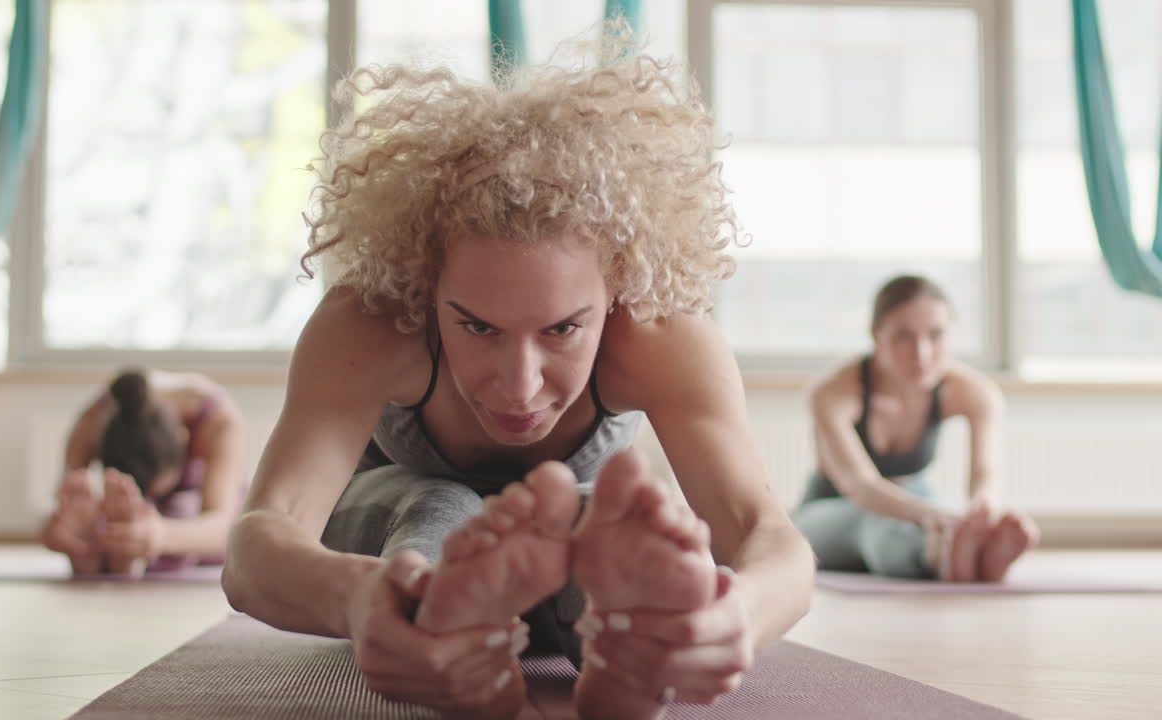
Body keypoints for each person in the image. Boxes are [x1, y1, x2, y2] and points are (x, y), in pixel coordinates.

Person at [221, 33, 814, 720]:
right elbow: (259, 543)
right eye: (476, 326)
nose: (521, 387)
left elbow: (766, 534)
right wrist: (359, 597)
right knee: (437, 505)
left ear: (618, 283)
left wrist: (734, 613)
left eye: (563, 329)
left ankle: (628, 648)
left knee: (601, 518)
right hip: (398, 547)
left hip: (567, 557)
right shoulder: (373, 322)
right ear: (425, 280)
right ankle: (443, 615)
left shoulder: (661, 336)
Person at [796, 275, 1041, 582]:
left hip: (917, 496)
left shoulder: (973, 392)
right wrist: (940, 519)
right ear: (876, 335)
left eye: (936, 335)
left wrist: (981, 514)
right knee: (876, 524)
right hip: (833, 508)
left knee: (940, 516)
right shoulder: (833, 393)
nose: (921, 353)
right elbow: (861, 487)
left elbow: (985, 473)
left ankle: (968, 553)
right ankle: (939, 554)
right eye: (903, 337)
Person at [41, 368, 246, 576]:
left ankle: (127, 553)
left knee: (186, 513)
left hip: (190, 513)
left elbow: (224, 526)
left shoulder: (217, 419)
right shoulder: (94, 421)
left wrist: (161, 536)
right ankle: (102, 553)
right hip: (124, 519)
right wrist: (61, 530)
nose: (148, 499)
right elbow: (65, 500)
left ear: (183, 438)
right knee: (103, 523)